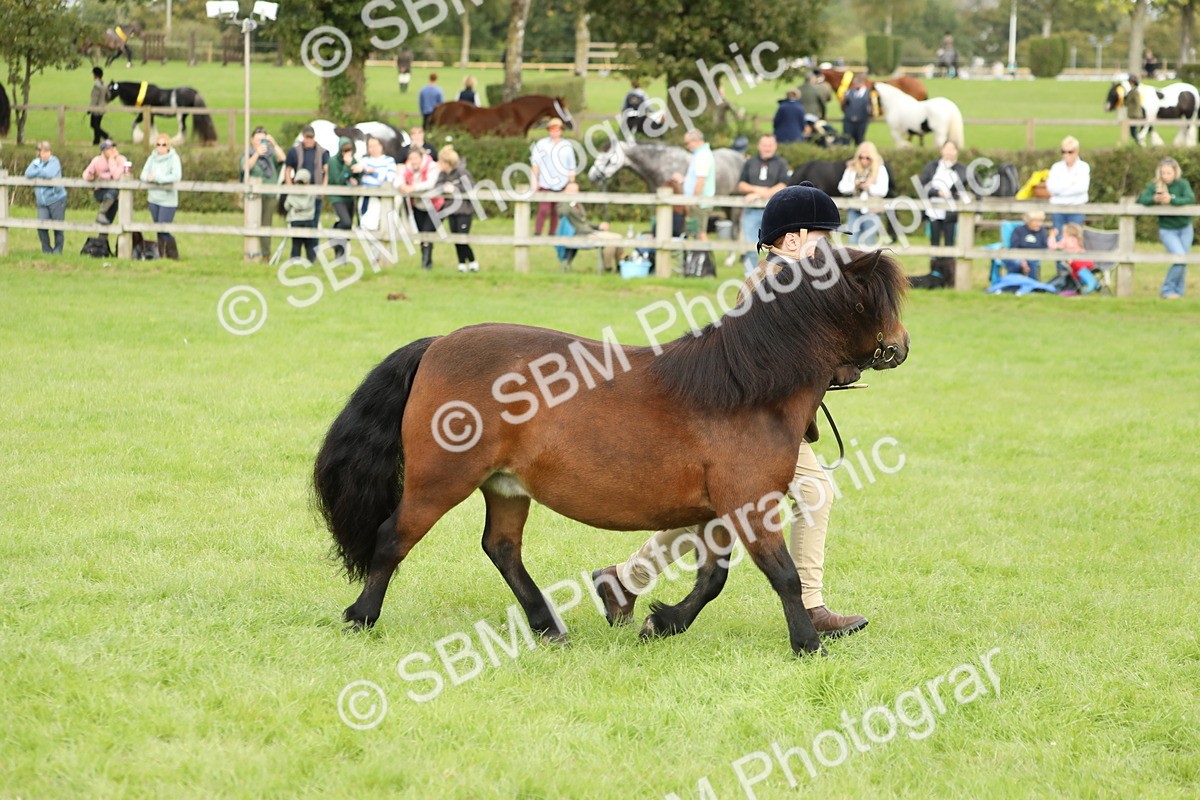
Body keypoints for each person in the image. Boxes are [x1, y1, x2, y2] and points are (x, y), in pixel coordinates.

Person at [591, 181, 869, 639]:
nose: (830, 250)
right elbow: (773, 365)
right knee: (815, 492)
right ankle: (813, 607)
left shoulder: (802, 285)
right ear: (793, 239)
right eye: (823, 239)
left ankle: (623, 580)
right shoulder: (766, 284)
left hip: (772, 427)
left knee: (708, 512)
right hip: (754, 429)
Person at [1137, 156, 1194, 299]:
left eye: (1169, 173)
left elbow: (1190, 199)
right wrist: (1154, 199)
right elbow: (1142, 199)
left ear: (1175, 172)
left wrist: (1172, 200)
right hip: (1168, 229)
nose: (1166, 176)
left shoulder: (1183, 184)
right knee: (1179, 257)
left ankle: (1178, 291)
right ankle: (1167, 290)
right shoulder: (1154, 185)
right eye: (1163, 173)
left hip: (1185, 227)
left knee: (1183, 260)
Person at [736, 134, 789, 276]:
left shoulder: (781, 163)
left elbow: (783, 185)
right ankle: (750, 279)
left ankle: (777, 277)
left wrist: (759, 194)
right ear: (759, 146)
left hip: (774, 212)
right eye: (765, 145)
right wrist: (757, 190)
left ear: (775, 146)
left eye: (770, 145)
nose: (767, 148)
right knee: (750, 246)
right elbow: (741, 185)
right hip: (751, 211)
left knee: (779, 246)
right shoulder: (750, 162)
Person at [918, 140, 970, 278]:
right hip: (933, 210)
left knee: (949, 242)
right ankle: (934, 274)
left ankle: (949, 276)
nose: (949, 152)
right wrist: (937, 193)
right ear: (942, 150)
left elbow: (965, 190)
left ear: (956, 151)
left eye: (952, 149)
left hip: (951, 212)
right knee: (934, 242)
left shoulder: (962, 169)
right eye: (946, 148)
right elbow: (922, 185)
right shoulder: (932, 167)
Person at [554, 181, 623, 271]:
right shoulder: (562, 205)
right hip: (579, 234)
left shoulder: (578, 204)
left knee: (619, 237)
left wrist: (599, 226)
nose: (574, 193)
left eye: (576, 191)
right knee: (610, 240)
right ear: (565, 191)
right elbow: (563, 214)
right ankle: (608, 267)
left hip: (589, 231)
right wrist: (567, 200)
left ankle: (620, 266)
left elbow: (584, 222)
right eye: (571, 190)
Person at [240, 126, 286, 260]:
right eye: (258, 139)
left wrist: (274, 144)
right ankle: (251, 253)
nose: (261, 142)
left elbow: (283, 159)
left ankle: (266, 254)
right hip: (253, 196)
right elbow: (245, 167)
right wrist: (256, 154)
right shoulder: (248, 153)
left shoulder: (271, 154)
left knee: (266, 225)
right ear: (252, 141)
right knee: (252, 224)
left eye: (263, 140)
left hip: (269, 195)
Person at [435, 145, 480, 273]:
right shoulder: (443, 174)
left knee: (463, 238)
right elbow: (437, 185)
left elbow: (470, 186)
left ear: (447, 162)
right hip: (451, 210)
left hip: (464, 211)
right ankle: (461, 263)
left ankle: (472, 261)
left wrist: (454, 188)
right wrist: (444, 187)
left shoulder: (462, 172)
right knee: (455, 238)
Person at [396, 147, 443, 270]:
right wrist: (402, 185)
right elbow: (398, 179)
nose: (413, 161)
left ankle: (426, 264)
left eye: (415, 158)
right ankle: (427, 262)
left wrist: (412, 188)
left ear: (421, 157)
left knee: (427, 232)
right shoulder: (408, 167)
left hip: (434, 206)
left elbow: (430, 183)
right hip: (417, 206)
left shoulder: (432, 166)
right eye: (411, 158)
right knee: (422, 234)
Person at [530, 117, 576, 236]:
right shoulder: (541, 144)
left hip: (561, 184)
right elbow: (535, 165)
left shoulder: (567, 145)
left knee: (557, 211)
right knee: (543, 209)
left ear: (561, 130)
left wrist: (571, 184)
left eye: (557, 129)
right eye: (552, 129)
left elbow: (571, 167)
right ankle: (537, 232)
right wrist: (534, 181)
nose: (554, 131)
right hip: (545, 183)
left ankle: (552, 233)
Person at [140, 134, 182, 259]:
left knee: (164, 228)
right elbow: (143, 174)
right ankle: (162, 255)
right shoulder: (151, 158)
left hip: (168, 200)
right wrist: (148, 177)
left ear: (168, 146)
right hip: (153, 198)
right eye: (158, 144)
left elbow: (175, 176)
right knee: (158, 228)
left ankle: (174, 255)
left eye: (164, 144)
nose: (161, 147)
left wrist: (157, 178)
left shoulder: (173, 158)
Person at [838, 141, 888, 245]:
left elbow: (883, 190)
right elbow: (842, 187)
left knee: (869, 244)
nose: (864, 160)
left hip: (872, 211)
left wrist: (869, 186)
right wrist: (855, 185)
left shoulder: (880, 169)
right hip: (854, 209)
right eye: (861, 157)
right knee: (852, 242)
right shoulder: (851, 169)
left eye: (867, 158)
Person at [674, 128, 716, 241]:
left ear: (696, 140)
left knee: (700, 234)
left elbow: (701, 181)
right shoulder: (700, 154)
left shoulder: (703, 155)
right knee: (696, 233)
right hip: (698, 201)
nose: (687, 146)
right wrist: (684, 179)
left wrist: (694, 201)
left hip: (699, 203)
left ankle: (705, 258)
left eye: (688, 143)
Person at [25, 141, 67, 255]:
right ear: (38, 153)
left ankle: (58, 250)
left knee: (58, 227)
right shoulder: (36, 162)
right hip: (42, 202)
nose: (45, 154)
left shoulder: (54, 161)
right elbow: (28, 173)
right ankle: (47, 251)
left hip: (56, 199)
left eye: (47, 151)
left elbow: (50, 174)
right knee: (41, 227)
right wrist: (40, 171)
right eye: (43, 152)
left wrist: (37, 171)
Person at [285, 124, 329, 229]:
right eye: (307, 137)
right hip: (299, 194)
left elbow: (326, 172)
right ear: (303, 137)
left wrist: (323, 188)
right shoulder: (294, 151)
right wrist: (290, 188)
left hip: (315, 193)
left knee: (313, 224)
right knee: (298, 223)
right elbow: (288, 170)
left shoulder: (322, 152)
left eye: (311, 137)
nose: (309, 140)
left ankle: (312, 245)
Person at [326, 136, 362, 259]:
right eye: (345, 151)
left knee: (347, 227)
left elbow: (357, 176)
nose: (347, 153)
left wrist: (356, 179)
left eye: (349, 150)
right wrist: (347, 166)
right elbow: (338, 180)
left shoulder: (354, 160)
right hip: (337, 197)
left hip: (350, 198)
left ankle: (341, 255)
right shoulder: (332, 161)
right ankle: (333, 232)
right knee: (345, 222)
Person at [1046, 136, 1089, 234]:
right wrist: (1071, 183)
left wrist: (1060, 191)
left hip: (1077, 208)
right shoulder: (1056, 167)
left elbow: (1081, 188)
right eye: (1063, 152)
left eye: (1070, 152)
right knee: (1058, 238)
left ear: (1076, 151)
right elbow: (1051, 188)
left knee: (1074, 239)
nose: (1066, 155)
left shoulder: (1083, 167)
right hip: (1058, 208)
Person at [82, 140, 129, 225]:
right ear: (103, 151)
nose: (112, 150)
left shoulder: (122, 160)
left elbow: (116, 176)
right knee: (112, 192)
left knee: (108, 220)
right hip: (101, 191)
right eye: (109, 149)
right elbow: (85, 174)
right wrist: (90, 176)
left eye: (113, 147)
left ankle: (102, 236)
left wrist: (112, 160)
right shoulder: (97, 160)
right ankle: (101, 213)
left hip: (115, 193)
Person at [357, 135, 396, 232]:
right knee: (365, 225)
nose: (373, 149)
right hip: (366, 196)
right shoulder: (364, 160)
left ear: (381, 146)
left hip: (380, 197)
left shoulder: (389, 161)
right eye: (370, 146)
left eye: (375, 146)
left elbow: (389, 179)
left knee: (374, 225)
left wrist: (373, 173)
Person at [1049, 223, 1098, 293]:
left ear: (1067, 233)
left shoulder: (1067, 240)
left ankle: (1091, 281)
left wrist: (1052, 236)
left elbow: (1053, 246)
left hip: (1078, 262)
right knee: (1075, 273)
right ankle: (1095, 285)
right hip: (1087, 261)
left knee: (1074, 267)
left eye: (1063, 232)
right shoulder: (1078, 239)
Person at [1004, 210, 1051, 281]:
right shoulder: (1018, 230)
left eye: (1041, 221)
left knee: (1032, 262)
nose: (1039, 224)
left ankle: (1032, 285)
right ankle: (1012, 283)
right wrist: (1022, 260)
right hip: (1017, 256)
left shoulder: (1042, 232)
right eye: (1036, 221)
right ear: (1028, 221)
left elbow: (1044, 248)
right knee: (1014, 263)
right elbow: (1014, 247)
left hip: (1035, 257)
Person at [285, 168, 318, 263]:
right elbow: (312, 206)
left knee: (296, 242)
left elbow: (286, 206)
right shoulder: (311, 193)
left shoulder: (292, 193)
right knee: (309, 243)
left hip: (295, 220)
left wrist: (295, 208)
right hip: (308, 220)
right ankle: (311, 260)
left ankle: (295, 259)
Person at [841, 75, 873, 145]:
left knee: (859, 140)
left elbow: (872, 108)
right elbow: (843, 106)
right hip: (849, 120)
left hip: (861, 120)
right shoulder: (849, 92)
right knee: (846, 139)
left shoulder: (868, 93)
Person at [89, 67, 110, 146]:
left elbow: (95, 98)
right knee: (97, 124)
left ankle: (105, 135)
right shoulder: (105, 84)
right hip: (102, 108)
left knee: (93, 124)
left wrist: (90, 109)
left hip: (96, 109)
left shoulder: (96, 86)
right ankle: (96, 141)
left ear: (95, 75)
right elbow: (108, 96)